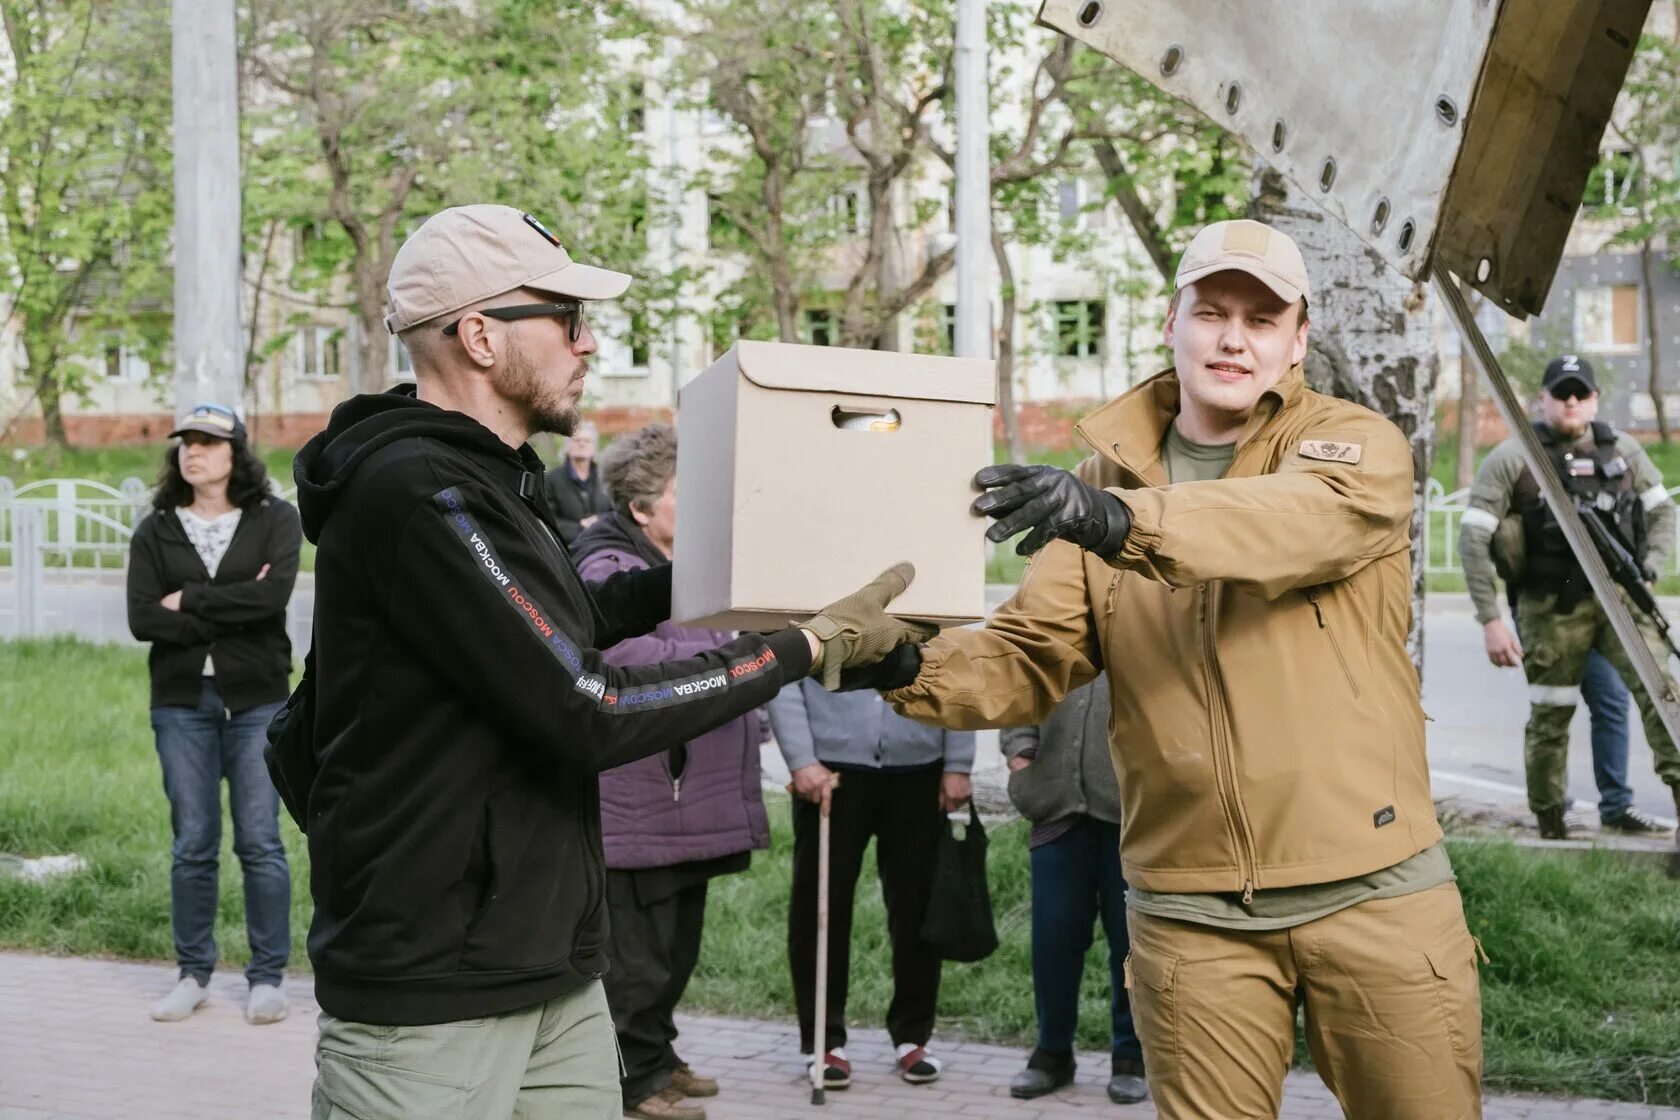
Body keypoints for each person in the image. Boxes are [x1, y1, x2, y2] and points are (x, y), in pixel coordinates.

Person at [285, 203, 931, 1120]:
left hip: (548, 961)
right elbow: (584, 702)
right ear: (478, 336)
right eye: (569, 319)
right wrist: (803, 646)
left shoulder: (496, 482)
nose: (589, 344)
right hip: (432, 985)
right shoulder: (420, 493)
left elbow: (573, 617)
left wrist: (757, 590)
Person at [859, 219, 1484, 1118]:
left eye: (1263, 320)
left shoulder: (1356, 448)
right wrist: (899, 662)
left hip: (1374, 891)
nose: (1234, 338)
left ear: (1298, 339)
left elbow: (1286, 524)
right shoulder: (1100, 478)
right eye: (1213, 311)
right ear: (1172, 322)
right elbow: (1028, 655)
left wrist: (1120, 522)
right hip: (1190, 909)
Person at [572, 422, 769, 1120]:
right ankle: (633, 1079)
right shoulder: (607, 569)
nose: (706, 506)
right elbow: (636, 666)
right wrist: (733, 655)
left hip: (685, 803)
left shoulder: (687, 560)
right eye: (688, 493)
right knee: (640, 957)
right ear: (642, 508)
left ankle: (658, 1052)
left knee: (674, 948)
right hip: (642, 803)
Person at [125, 403, 301, 1026]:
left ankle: (266, 977)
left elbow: (271, 597)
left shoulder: (274, 519)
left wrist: (191, 599)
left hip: (256, 699)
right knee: (193, 843)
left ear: (236, 453)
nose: (193, 451)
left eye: (208, 442)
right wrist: (233, 601)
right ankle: (193, 973)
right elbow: (144, 618)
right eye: (186, 442)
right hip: (182, 704)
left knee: (260, 841)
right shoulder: (156, 529)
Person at [1457, 354, 1678, 839]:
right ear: (1544, 399)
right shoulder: (1515, 458)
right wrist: (1490, 618)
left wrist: (1652, 568)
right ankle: (1551, 820)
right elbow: (1473, 537)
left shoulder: (1621, 450)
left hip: (1621, 602)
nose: (1572, 401)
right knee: (1552, 711)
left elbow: (1663, 512)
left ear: (1595, 400)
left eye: (1581, 392)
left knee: (1665, 696)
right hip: (1550, 608)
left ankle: (1646, 807)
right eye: (1562, 392)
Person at [766, 679, 974, 1091]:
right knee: (820, 907)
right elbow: (785, 673)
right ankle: (823, 1041)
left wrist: (958, 763)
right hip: (831, 768)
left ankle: (913, 1035)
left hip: (919, 766)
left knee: (916, 906)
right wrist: (800, 758)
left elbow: (958, 664)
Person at [1001, 674, 1146, 1106]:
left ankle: (1132, 1058)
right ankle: (1052, 1054)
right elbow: (1018, 687)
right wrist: (1021, 758)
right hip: (1056, 808)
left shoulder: (1152, 617)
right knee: (1053, 941)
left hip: (1132, 816)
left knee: (1132, 945)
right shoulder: (1055, 617)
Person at [545, 420, 612, 544]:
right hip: (569, 551)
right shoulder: (550, 480)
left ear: (594, 448)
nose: (581, 444)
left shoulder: (606, 478)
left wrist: (598, 520)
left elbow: (617, 513)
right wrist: (581, 527)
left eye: (587, 440)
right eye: (576, 440)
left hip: (604, 547)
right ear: (567, 447)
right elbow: (548, 520)